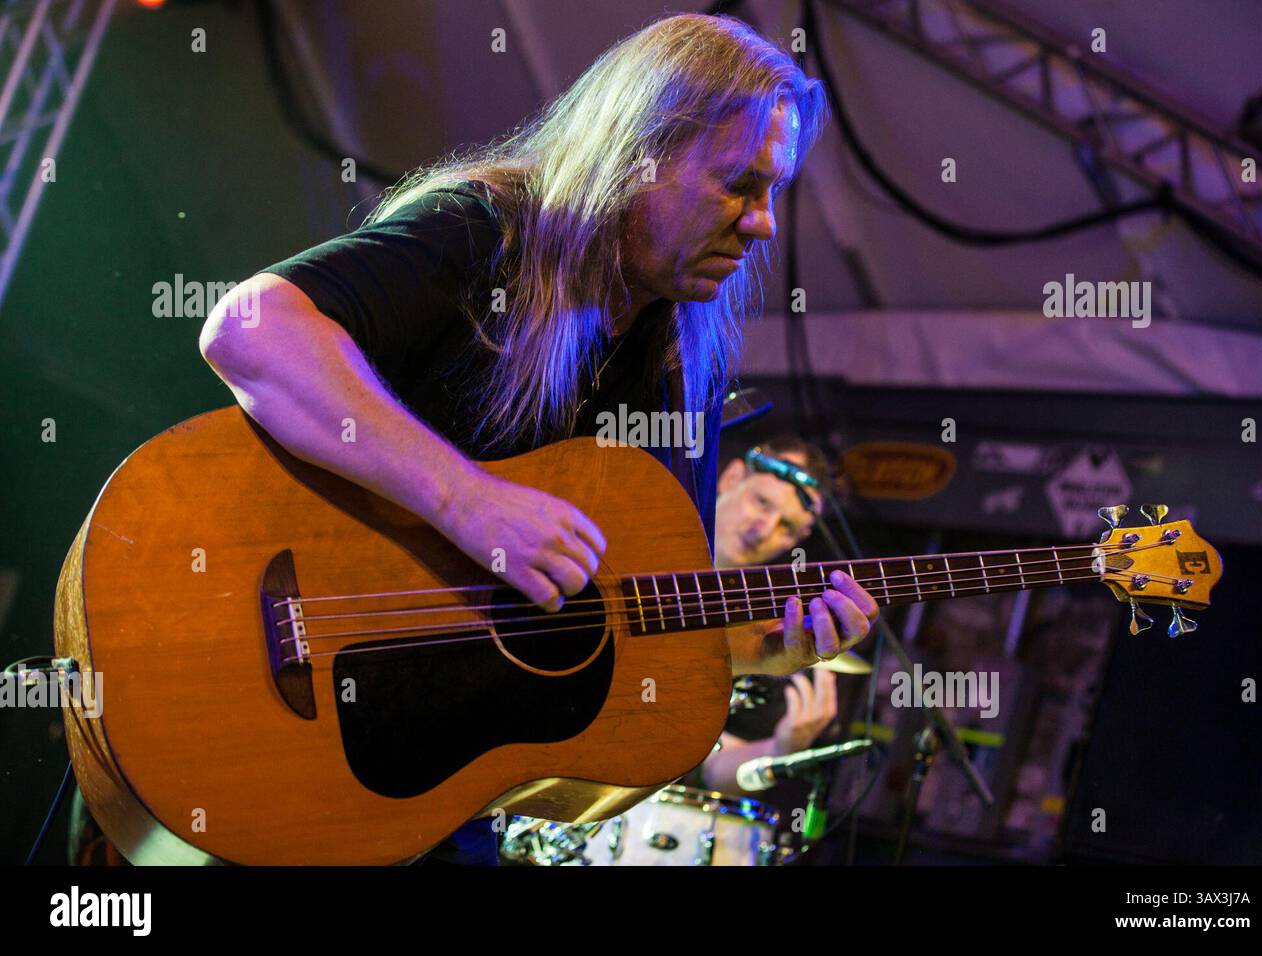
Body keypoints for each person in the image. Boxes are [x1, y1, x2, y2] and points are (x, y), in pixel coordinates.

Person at [198, 13, 878, 864]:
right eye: (740, 184)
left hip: (435, 786)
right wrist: (471, 504)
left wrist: (748, 653)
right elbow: (250, 327)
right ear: (643, 154)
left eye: (772, 192)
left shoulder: (676, 370)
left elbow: (630, 619)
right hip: (264, 698)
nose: (764, 223)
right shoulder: (490, 234)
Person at [698, 438, 843, 795]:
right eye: (761, 502)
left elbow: (712, 769)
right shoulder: (638, 536)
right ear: (732, 477)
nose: (762, 530)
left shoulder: (770, 632)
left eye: (786, 527)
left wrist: (782, 749)